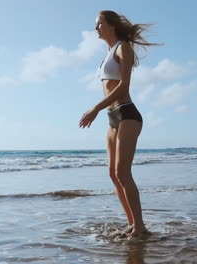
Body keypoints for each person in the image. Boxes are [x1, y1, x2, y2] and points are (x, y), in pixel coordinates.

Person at [79, 10, 160, 238]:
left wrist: (94, 108)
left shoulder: (123, 47)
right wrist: (101, 110)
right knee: (113, 175)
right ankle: (133, 223)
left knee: (123, 172)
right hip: (112, 117)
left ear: (111, 25)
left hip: (127, 114)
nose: (96, 28)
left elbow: (124, 87)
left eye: (99, 24)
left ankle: (140, 227)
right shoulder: (107, 53)